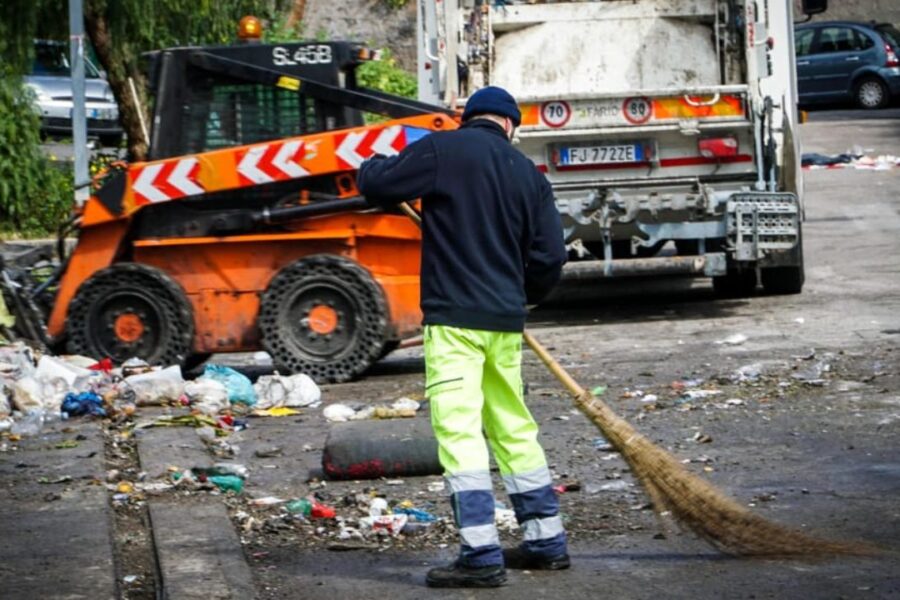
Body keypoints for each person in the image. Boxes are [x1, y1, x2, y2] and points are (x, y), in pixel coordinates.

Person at [357, 86, 569, 588]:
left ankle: (479, 554)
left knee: (459, 433)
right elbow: (551, 257)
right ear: (510, 126)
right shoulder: (528, 175)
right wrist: (526, 297)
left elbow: (380, 185)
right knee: (513, 427)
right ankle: (545, 540)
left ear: (468, 119)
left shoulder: (441, 150)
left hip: (454, 323)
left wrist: (373, 163)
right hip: (503, 323)